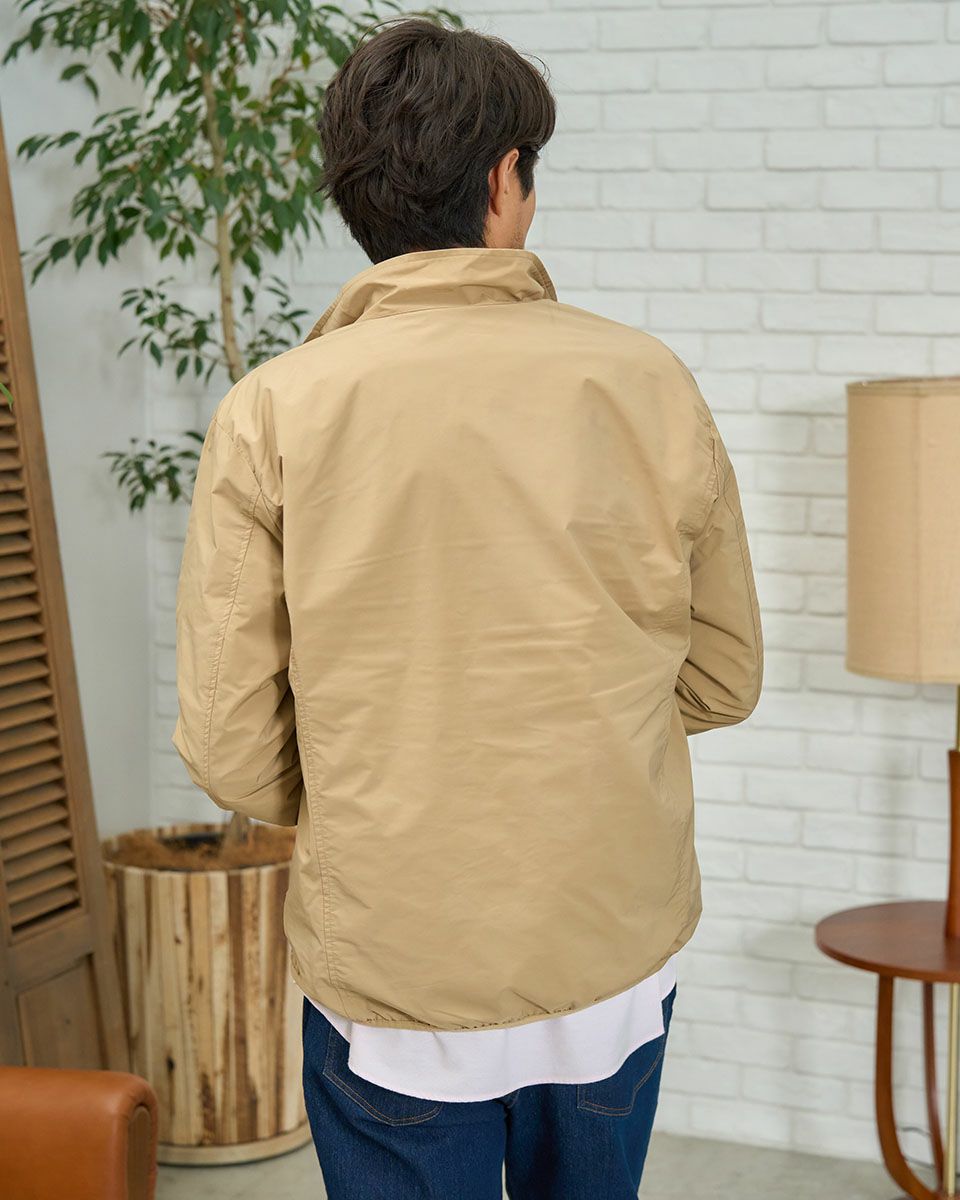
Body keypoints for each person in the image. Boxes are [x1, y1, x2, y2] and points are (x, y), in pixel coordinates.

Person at [171, 15, 763, 1200]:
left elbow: (231, 747)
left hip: (393, 964)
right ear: (503, 181)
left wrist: (373, 798)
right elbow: (722, 678)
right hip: (608, 949)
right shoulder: (648, 382)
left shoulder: (272, 411)